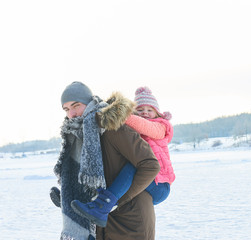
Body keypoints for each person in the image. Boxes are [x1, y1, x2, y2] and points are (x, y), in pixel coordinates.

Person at [51, 81, 160, 240]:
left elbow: (150, 165)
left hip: (131, 222)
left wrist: (112, 202)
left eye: (76, 106)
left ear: (89, 103)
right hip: (101, 226)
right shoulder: (77, 137)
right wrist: (69, 196)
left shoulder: (113, 127)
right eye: (66, 109)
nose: (71, 114)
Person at [70, 86, 175, 228]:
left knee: (134, 166)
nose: (145, 113)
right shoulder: (135, 129)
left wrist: (118, 114)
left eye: (149, 110)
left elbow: (145, 127)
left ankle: (103, 205)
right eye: (140, 110)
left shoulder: (160, 126)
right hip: (148, 182)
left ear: (157, 113)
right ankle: (78, 196)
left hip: (160, 185)